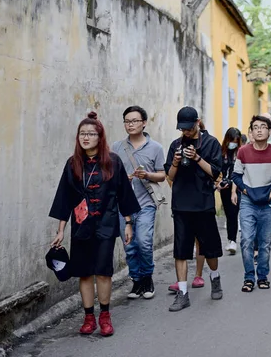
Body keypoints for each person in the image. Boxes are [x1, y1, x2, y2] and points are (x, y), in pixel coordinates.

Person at [49, 112, 140, 337]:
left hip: (106, 224)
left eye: (91, 133)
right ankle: (89, 317)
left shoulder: (113, 161)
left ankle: (105, 316)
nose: (86, 137)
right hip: (81, 226)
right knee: (85, 273)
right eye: (82, 133)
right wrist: (61, 230)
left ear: (100, 137)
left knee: (103, 272)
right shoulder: (72, 164)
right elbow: (64, 198)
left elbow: (124, 194)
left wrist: (128, 223)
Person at [164, 106, 224, 311]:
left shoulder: (211, 143)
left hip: (203, 203)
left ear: (198, 122)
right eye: (182, 129)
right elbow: (170, 176)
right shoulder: (175, 145)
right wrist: (175, 162)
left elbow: (215, 173)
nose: (186, 133)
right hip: (181, 205)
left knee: (209, 249)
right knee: (180, 251)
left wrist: (197, 158)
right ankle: (182, 293)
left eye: (189, 128)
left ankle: (214, 277)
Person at [112, 106, 166, 300]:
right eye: (127, 121)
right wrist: (121, 179)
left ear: (144, 122)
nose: (131, 124)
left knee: (143, 242)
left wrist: (147, 175)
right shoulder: (117, 148)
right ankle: (136, 280)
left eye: (134, 121)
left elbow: (162, 175)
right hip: (123, 206)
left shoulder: (156, 148)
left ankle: (147, 277)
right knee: (129, 246)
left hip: (145, 204)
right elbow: (110, 175)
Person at [232, 115, 271, 292]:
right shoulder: (243, 151)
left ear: (270, 132)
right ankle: (248, 278)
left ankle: (262, 276)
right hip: (248, 202)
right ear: (251, 132)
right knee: (246, 240)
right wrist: (246, 191)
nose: (259, 130)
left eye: (263, 127)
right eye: (256, 127)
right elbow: (236, 176)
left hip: (267, 202)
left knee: (265, 243)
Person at [218, 127, 242, 255]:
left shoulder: (240, 153)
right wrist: (218, 183)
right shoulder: (221, 153)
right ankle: (231, 239)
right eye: (231, 140)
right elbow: (217, 170)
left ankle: (233, 240)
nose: (233, 143)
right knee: (229, 213)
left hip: (237, 187)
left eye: (236, 141)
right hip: (225, 188)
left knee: (235, 211)